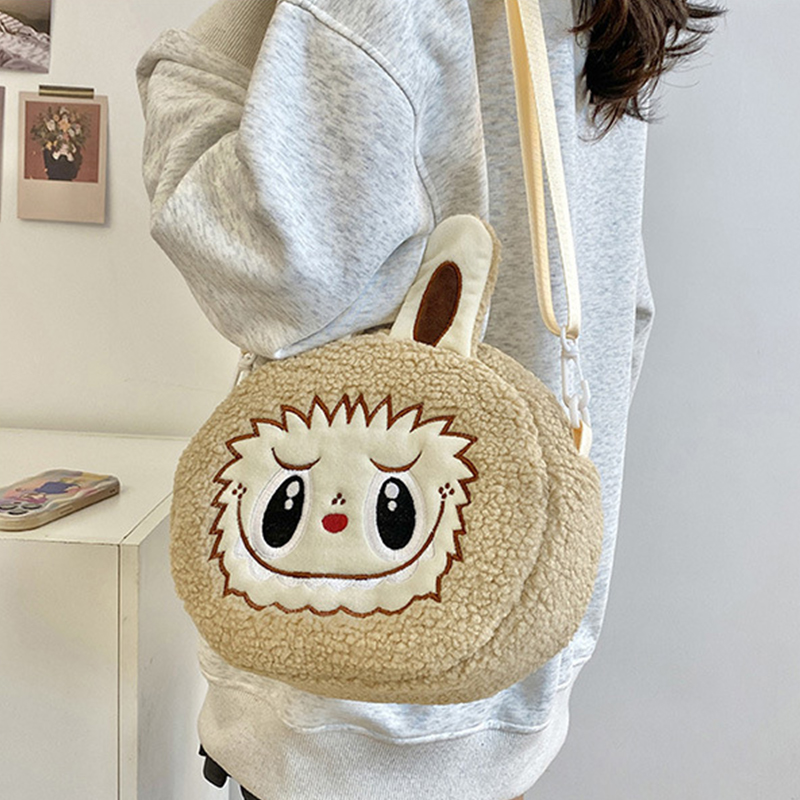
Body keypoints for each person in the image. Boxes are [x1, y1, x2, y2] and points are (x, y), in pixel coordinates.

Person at [136, 1, 721, 797]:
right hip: (506, 673)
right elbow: (621, 312)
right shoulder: (588, 14)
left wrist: (202, 61)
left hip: (336, 699)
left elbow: (271, 269)